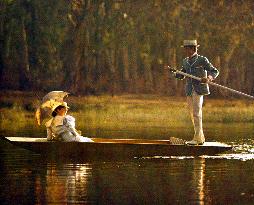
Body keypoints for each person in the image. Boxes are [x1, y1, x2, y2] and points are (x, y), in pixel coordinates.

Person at [169, 40, 219, 145]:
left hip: (199, 89)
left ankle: (198, 139)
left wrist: (208, 78)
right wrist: (174, 73)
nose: (185, 51)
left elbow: (214, 71)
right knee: (192, 114)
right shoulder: (185, 61)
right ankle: (199, 138)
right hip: (189, 90)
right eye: (185, 49)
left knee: (197, 113)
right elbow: (182, 75)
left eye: (187, 49)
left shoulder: (202, 60)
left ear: (193, 48)